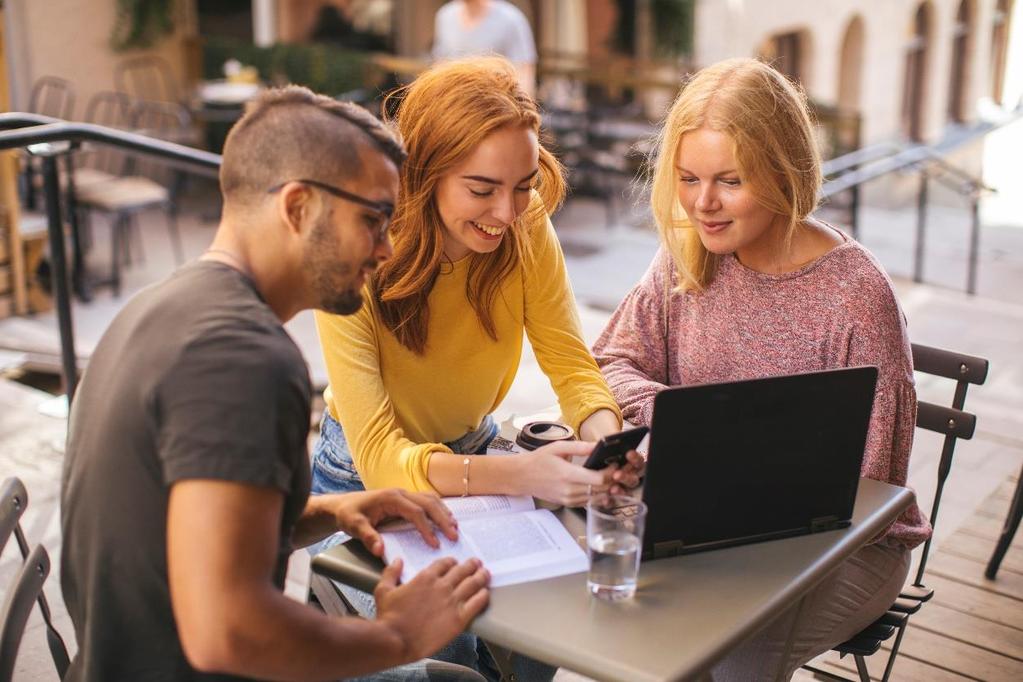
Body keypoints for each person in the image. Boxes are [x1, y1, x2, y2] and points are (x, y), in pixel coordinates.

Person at [60, 85, 491, 682]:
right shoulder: (244, 359)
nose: (388, 249)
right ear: (297, 208)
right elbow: (228, 632)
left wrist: (334, 510)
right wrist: (396, 635)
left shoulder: (161, 307)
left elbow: (196, 530)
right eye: (373, 220)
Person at [591, 58, 933, 680]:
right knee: (609, 614)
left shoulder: (855, 296)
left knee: (724, 652)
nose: (703, 203)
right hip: (705, 517)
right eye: (688, 178)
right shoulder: (688, 257)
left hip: (844, 548)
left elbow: (870, 487)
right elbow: (611, 359)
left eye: (730, 181)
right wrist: (676, 417)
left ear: (784, 171)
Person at [310, 57, 642, 680]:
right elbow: (382, 457)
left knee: (555, 626)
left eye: (522, 185)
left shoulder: (525, 224)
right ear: (423, 176)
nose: (509, 211)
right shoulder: (352, 250)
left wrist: (605, 442)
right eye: (482, 189)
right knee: (452, 656)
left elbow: (572, 363)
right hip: (361, 483)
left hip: (475, 456)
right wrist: (522, 476)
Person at [432, 0, 537, 96]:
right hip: (455, 106)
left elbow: (524, 75)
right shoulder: (445, 16)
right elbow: (439, 65)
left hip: (495, 107)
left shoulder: (511, 19)